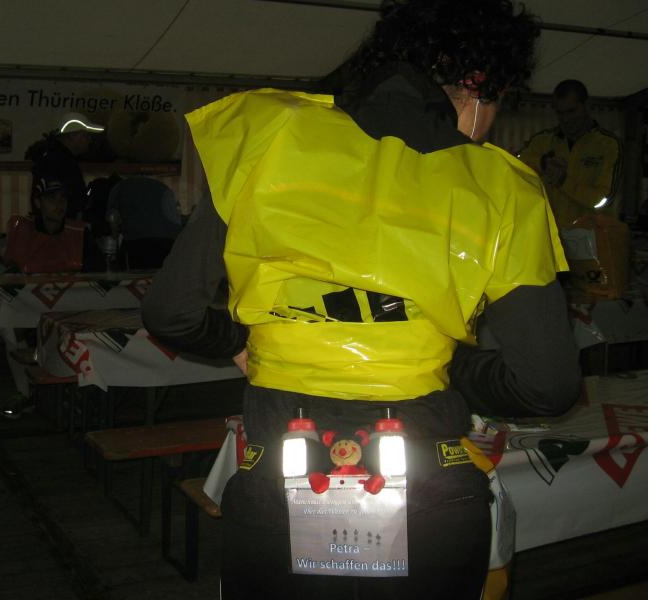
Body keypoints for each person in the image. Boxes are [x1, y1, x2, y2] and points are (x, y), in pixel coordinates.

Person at [142, 1, 582, 598]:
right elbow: (547, 385)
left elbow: (170, 312)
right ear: (479, 85)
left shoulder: (269, 138)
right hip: (430, 479)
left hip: (279, 469)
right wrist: (444, 362)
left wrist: (242, 342)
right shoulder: (504, 188)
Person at [518, 79, 622, 228]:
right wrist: (543, 163)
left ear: (587, 106)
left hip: (591, 236)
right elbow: (514, 165)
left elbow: (602, 201)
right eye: (560, 113)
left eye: (571, 111)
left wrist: (563, 181)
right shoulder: (543, 140)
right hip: (550, 234)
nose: (566, 119)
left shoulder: (608, 144)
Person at [1, 175, 105, 274]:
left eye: (63, 198)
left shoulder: (80, 234)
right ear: (38, 202)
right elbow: (10, 273)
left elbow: (98, 272)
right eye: (51, 198)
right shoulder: (22, 231)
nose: (59, 204)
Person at [24, 112, 104, 219]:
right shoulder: (62, 162)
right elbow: (73, 201)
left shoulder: (54, 157)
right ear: (72, 135)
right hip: (61, 224)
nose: (89, 140)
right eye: (86, 135)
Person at [106, 177, 182, 269]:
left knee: (136, 273)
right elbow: (173, 217)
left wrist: (114, 235)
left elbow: (113, 217)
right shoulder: (160, 186)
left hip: (137, 241)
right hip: (168, 240)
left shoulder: (117, 189)